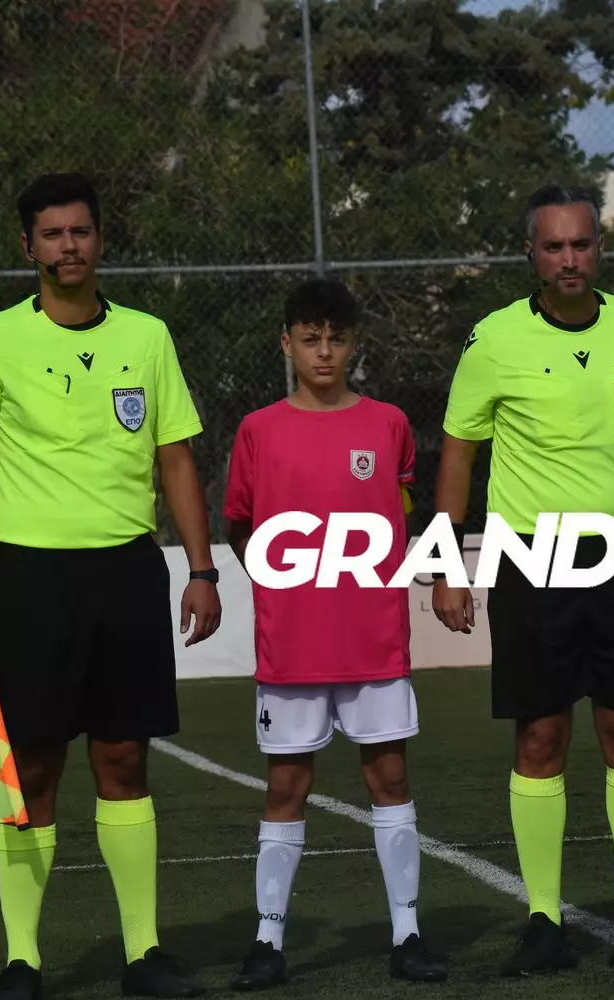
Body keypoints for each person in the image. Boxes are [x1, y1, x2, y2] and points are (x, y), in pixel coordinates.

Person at [0, 172, 221, 1000]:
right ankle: (22, 961)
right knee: (31, 770)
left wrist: (202, 569)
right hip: (30, 578)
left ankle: (143, 955)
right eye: (53, 234)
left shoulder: (148, 336)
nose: (69, 246)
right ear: (27, 246)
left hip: (127, 571)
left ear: (100, 239)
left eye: (82, 231)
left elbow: (177, 460)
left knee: (124, 758)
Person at [431, 184, 614, 976]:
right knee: (540, 735)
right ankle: (544, 921)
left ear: (600, 249)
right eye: (553, 246)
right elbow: (458, 451)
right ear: (531, 253)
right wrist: (448, 562)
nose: (568, 259)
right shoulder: (494, 338)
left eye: (581, 244)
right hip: (531, 557)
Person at [221, 278, 448, 989]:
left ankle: (408, 934)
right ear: (287, 344)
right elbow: (240, 525)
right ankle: (268, 943)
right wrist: (283, 585)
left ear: (355, 346)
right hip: (292, 643)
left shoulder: (389, 424)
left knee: (390, 776)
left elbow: (399, 511)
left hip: (373, 637)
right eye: (310, 339)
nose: (324, 352)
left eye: (337, 339)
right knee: (287, 783)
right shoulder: (258, 430)